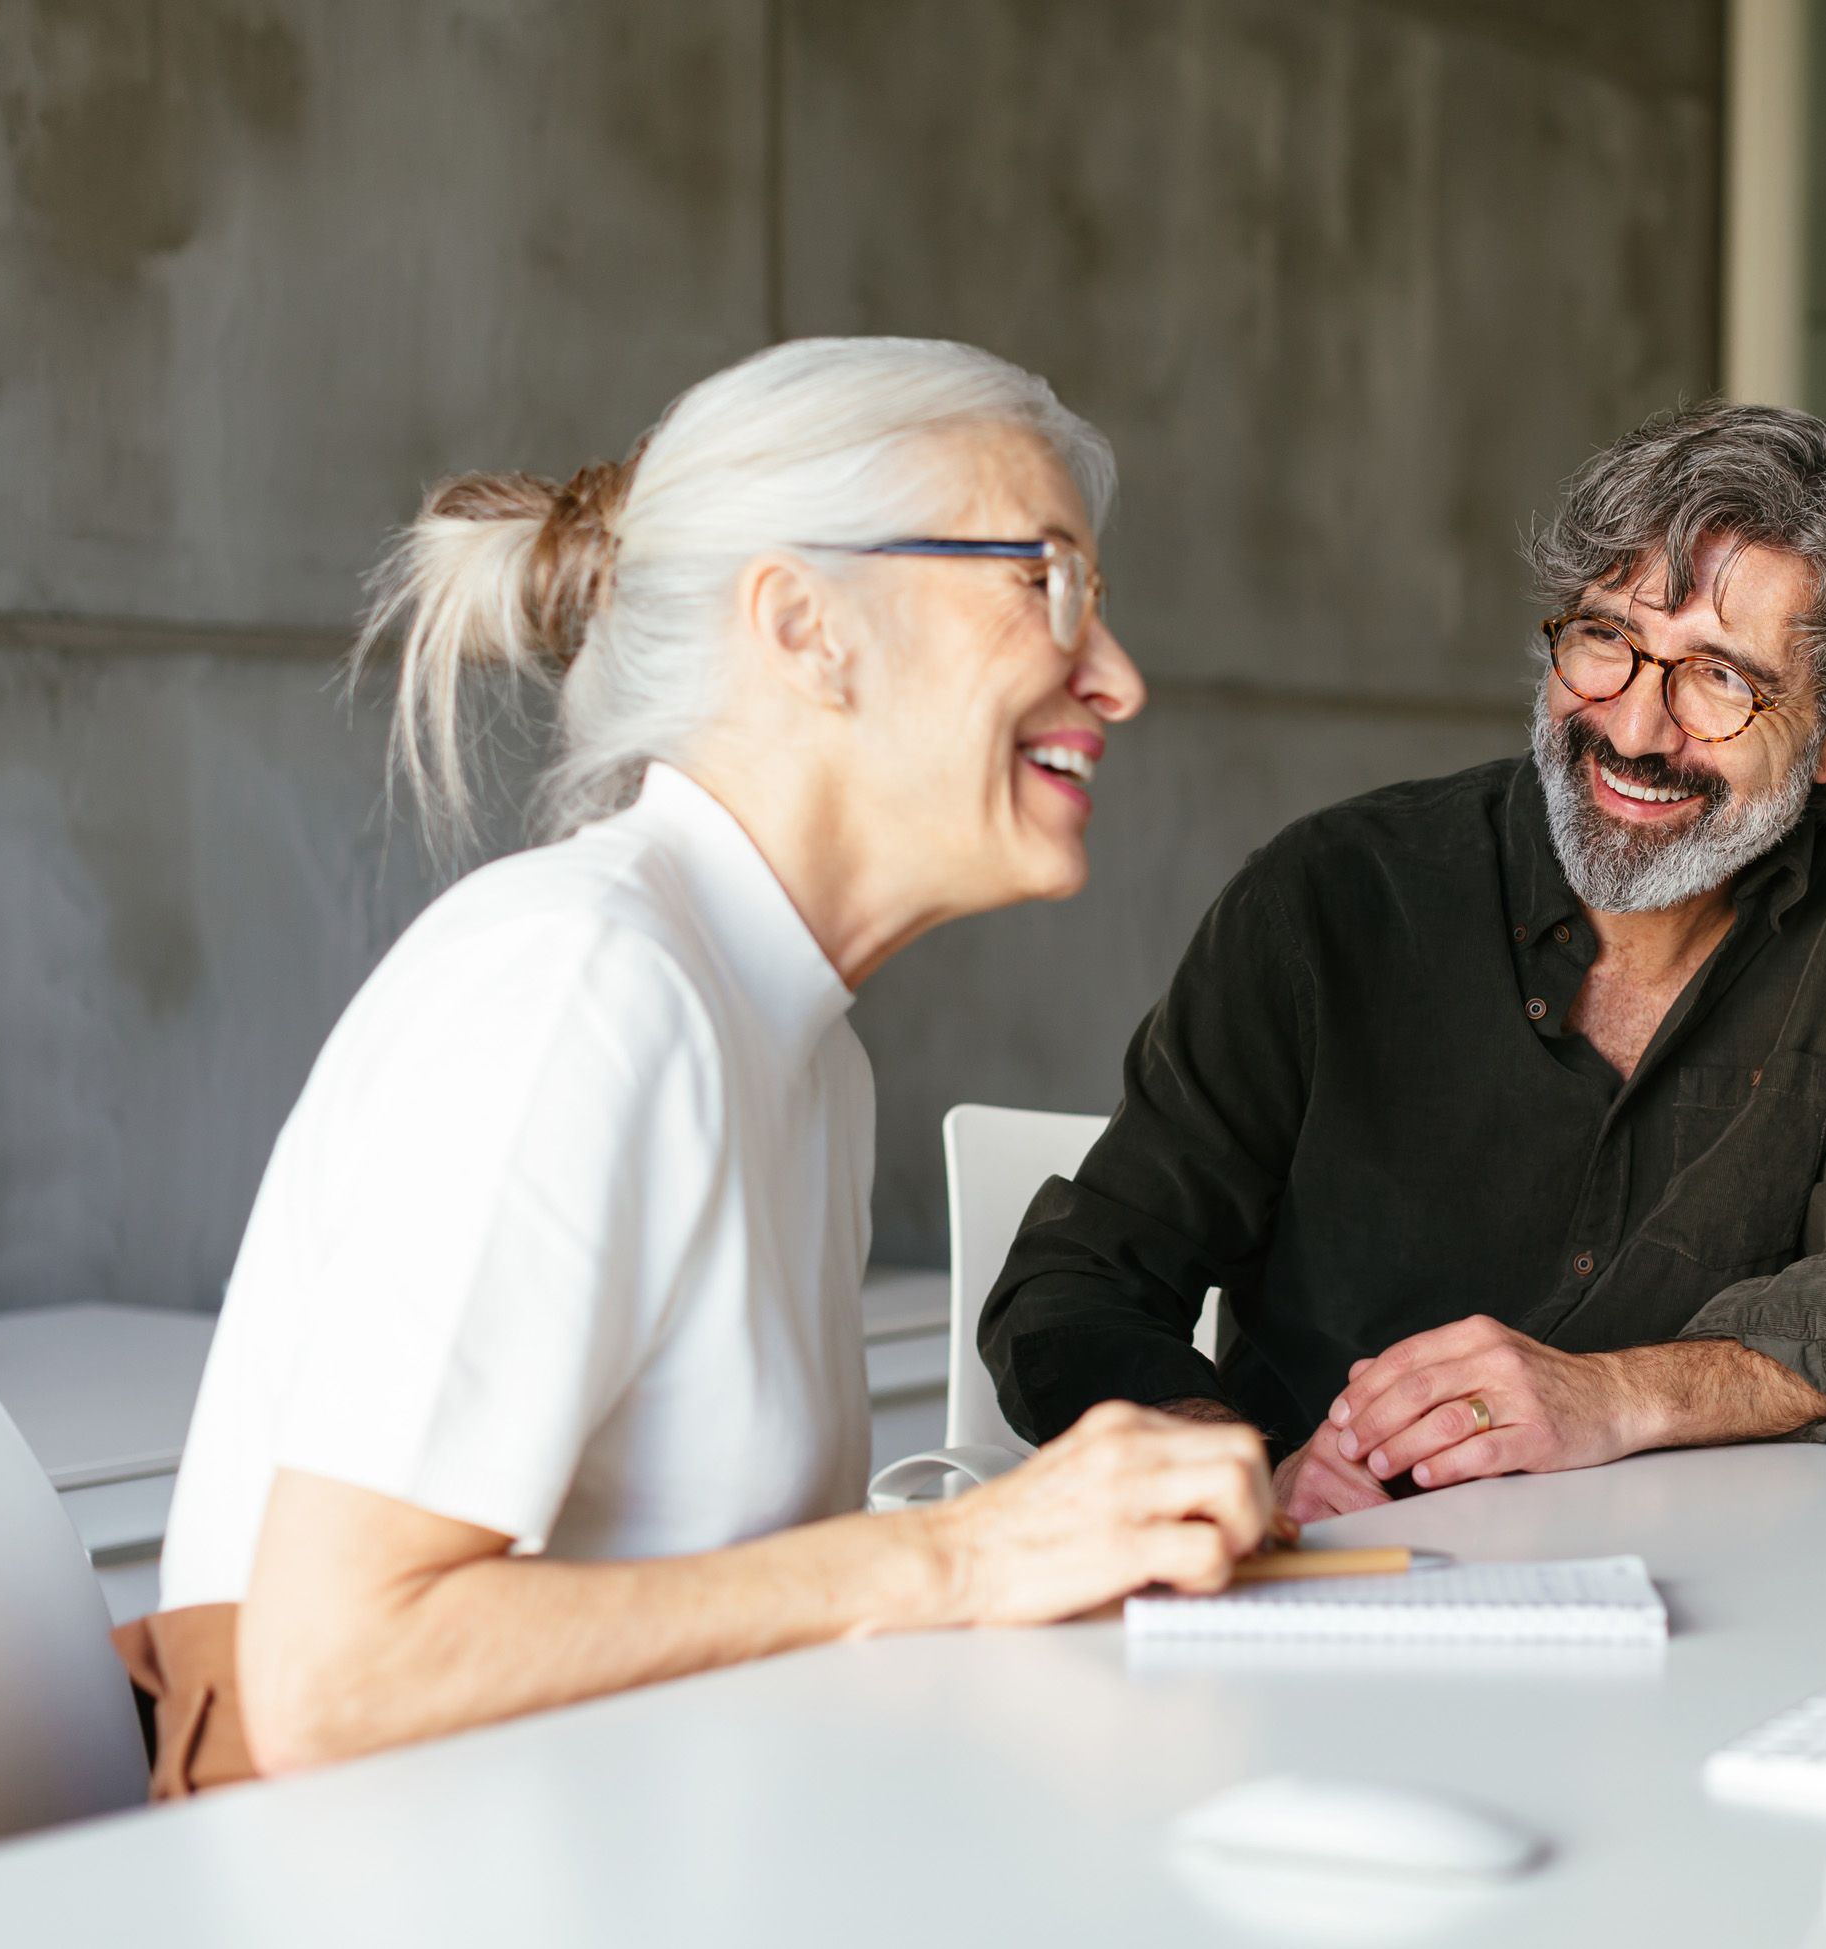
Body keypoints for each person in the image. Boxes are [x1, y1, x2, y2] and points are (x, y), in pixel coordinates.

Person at [132, 339, 1278, 1791]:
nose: (1115, 678)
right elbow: (329, 1675)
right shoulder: (581, 984)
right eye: (1043, 582)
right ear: (805, 626)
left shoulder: (799, 1048)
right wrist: (950, 1554)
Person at [981, 401, 1826, 1523]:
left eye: (1719, 680)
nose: (1635, 728)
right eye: (1605, 641)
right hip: (1332, 1583)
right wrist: (1238, 1465)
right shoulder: (1330, 897)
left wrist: (1619, 1395)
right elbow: (1070, 1292)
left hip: (1722, 1588)